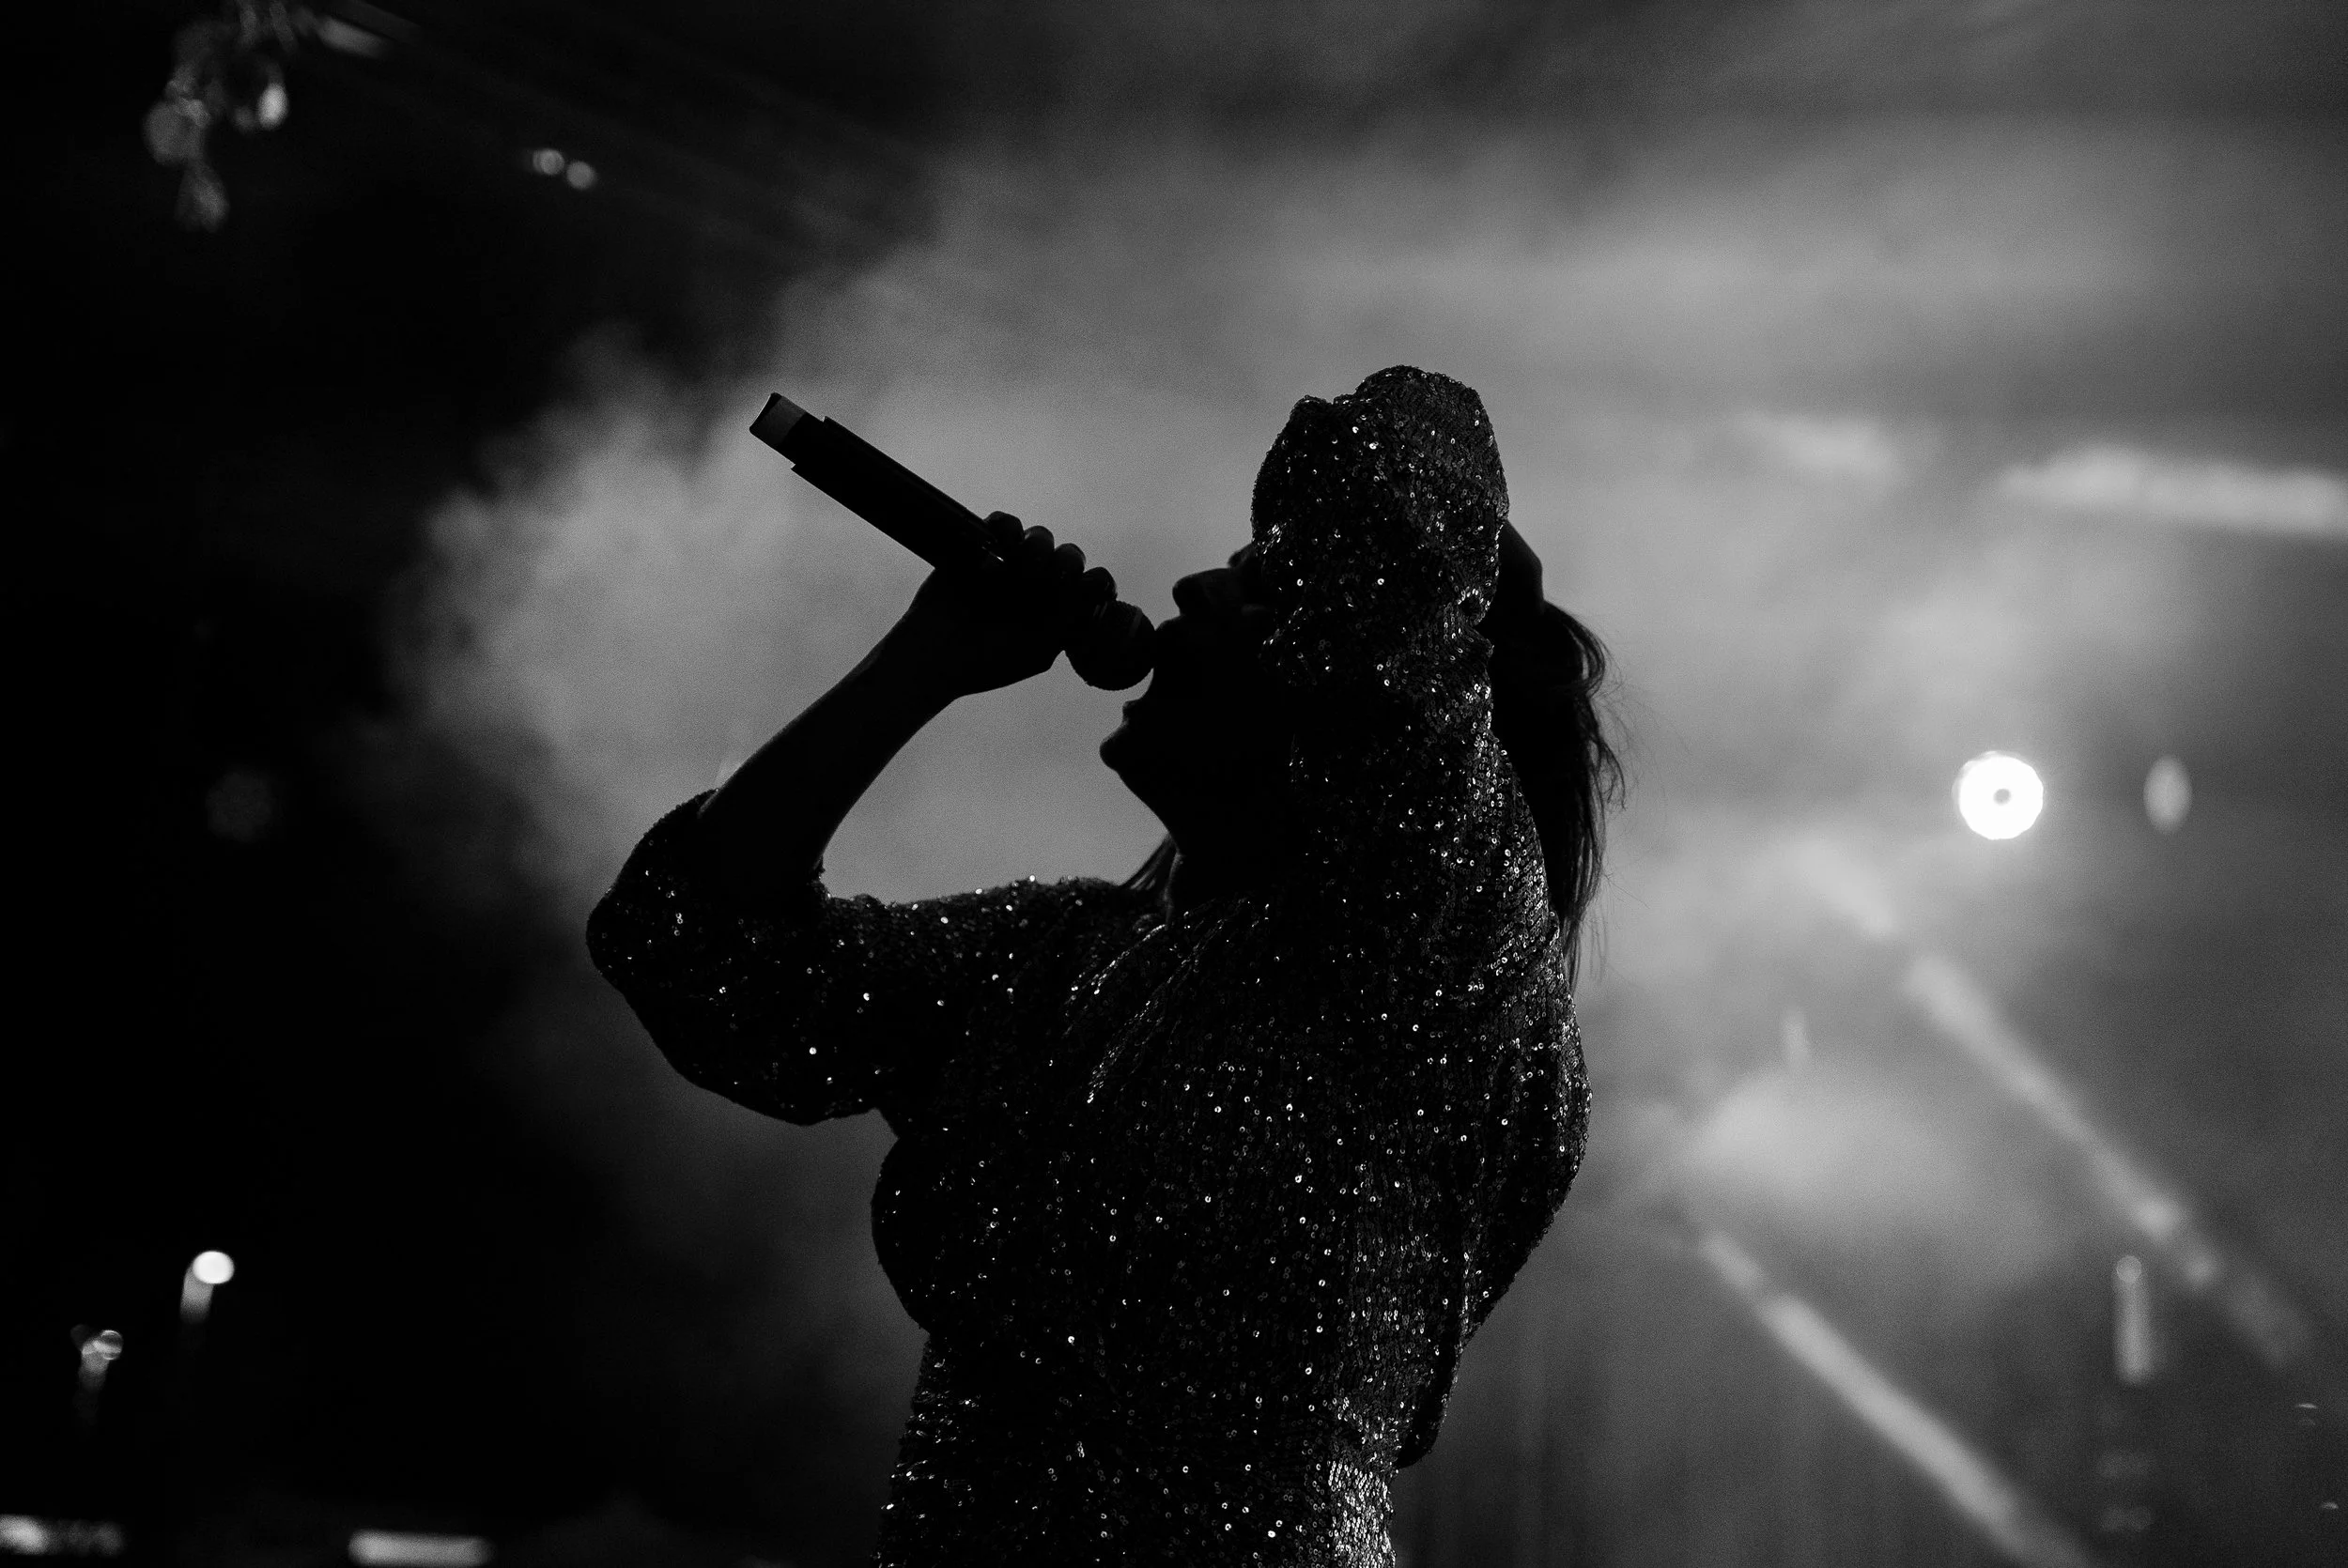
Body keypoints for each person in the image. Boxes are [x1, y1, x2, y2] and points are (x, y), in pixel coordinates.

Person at [587, 366, 1619, 1565]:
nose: (1183, 587)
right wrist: (925, 657)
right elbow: (697, 952)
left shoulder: (1433, 951)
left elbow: (1398, 483)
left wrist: (1397, 581)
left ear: (1358, 676)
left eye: (1255, 582)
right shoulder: (1062, 953)